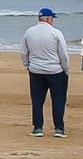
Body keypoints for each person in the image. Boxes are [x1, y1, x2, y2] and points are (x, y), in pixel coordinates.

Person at [21, 8, 69, 137]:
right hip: (55, 70)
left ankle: (37, 127)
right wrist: (66, 69)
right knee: (58, 100)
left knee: (37, 100)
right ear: (48, 19)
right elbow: (63, 54)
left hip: (36, 70)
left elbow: (24, 52)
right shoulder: (56, 33)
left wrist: (28, 66)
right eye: (52, 18)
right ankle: (59, 128)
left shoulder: (29, 32)